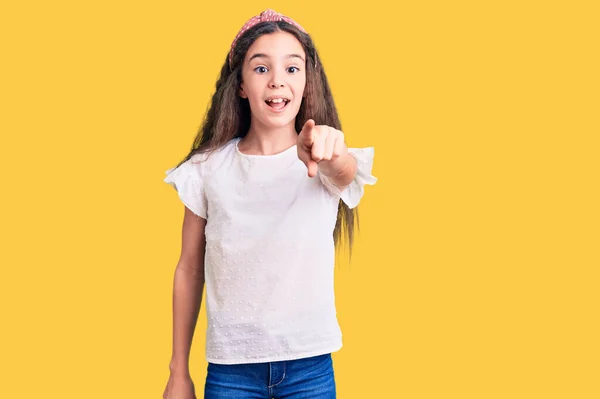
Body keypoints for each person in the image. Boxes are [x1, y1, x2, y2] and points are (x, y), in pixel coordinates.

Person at [162, 8, 377, 399]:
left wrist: (333, 151)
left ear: (307, 83)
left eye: (292, 69)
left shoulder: (323, 158)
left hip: (309, 369)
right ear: (241, 85)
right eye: (261, 68)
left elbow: (344, 172)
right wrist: (179, 371)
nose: (278, 80)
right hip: (231, 373)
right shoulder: (207, 169)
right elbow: (190, 269)